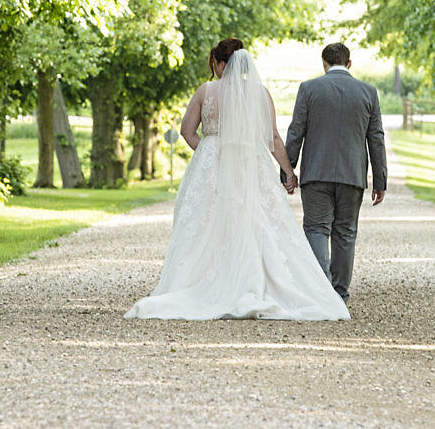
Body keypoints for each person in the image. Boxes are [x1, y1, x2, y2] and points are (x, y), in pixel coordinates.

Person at [124, 39, 350, 321]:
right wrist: (289, 173)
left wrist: (207, 151)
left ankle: (204, 281)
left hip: (213, 166)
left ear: (220, 63)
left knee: (207, 222)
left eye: (216, 64)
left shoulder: (206, 91)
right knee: (255, 220)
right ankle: (252, 278)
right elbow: (273, 139)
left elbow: (186, 130)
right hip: (249, 165)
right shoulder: (259, 93)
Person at [284, 42, 387, 304]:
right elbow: (376, 138)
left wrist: (288, 170)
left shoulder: (309, 89)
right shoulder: (368, 92)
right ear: (349, 63)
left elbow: (296, 131)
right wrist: (380, 180)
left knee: (317, 228)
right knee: (345, 232)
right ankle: (339, 292)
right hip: (352, 175)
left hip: (316, 174)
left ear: (324, 63)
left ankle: (321, 291)